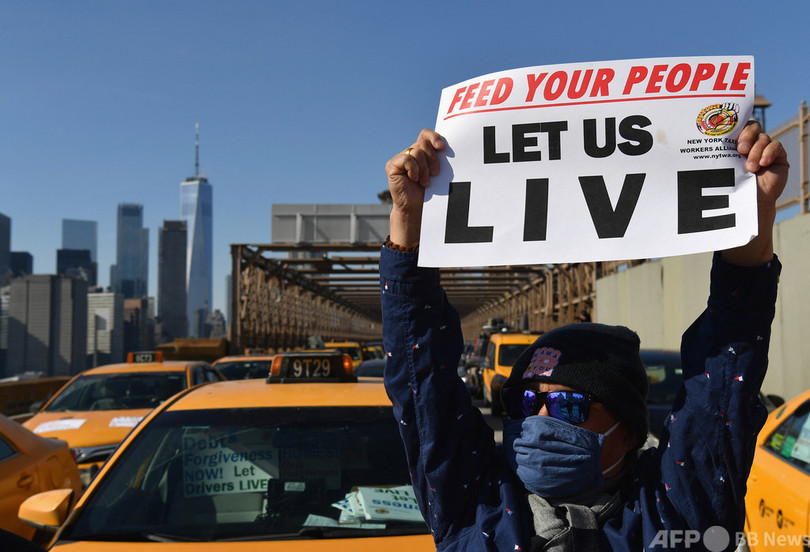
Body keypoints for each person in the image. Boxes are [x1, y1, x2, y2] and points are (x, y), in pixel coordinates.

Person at [380, 122, 788, 551]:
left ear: (628, 431)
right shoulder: (477, 506)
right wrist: (408, 220)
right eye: (522, 402)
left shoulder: (672, 511)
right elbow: (421, 381)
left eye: (567, 405)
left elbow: (722, 383)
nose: (536, 419)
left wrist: (752, 213)